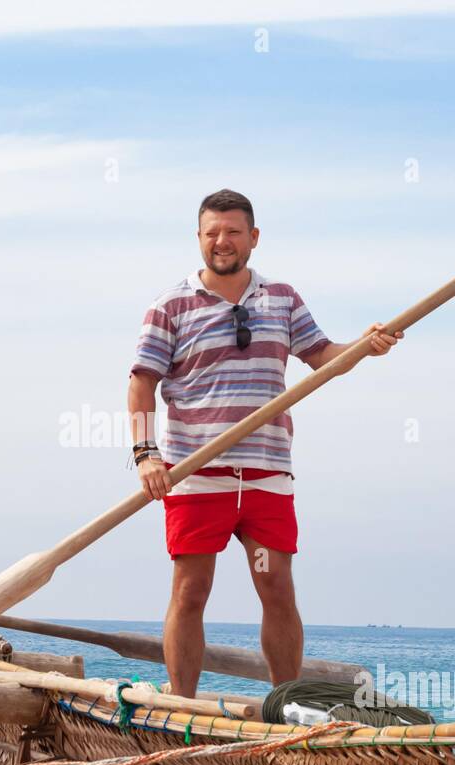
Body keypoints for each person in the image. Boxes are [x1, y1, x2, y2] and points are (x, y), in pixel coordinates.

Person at [127, 188, 402, 698]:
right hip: (194, 472)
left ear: (253, 237)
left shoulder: (281, 298)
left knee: (276, 588)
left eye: (233, 232)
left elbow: (323, 356)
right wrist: (146, 455)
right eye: (212, 233)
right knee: (191, 591)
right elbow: (141, 381)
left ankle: (287, 707)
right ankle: (182, 706)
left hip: (266, 471)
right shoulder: (170, 305)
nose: (222, 242)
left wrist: (366, 347)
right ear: (199, 238)